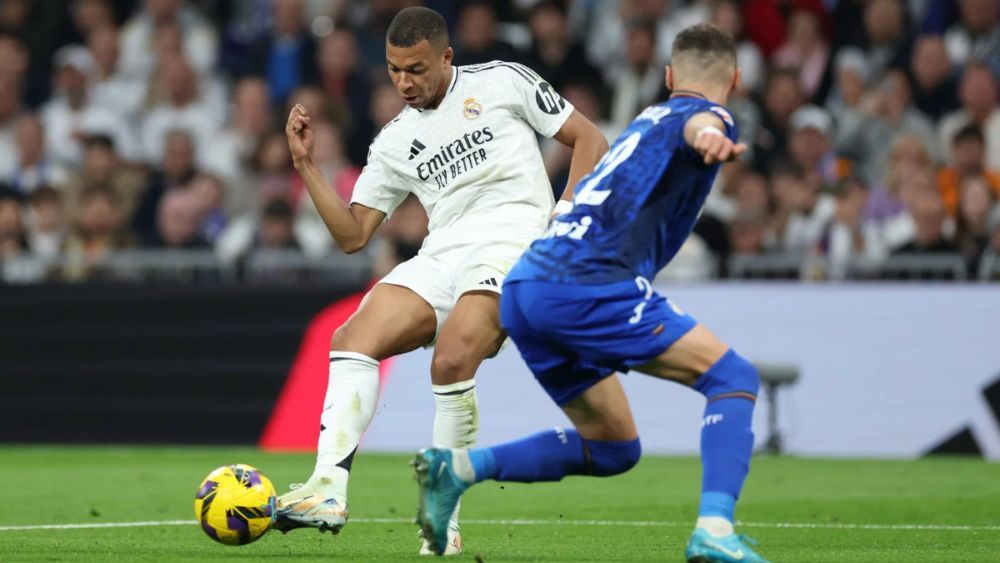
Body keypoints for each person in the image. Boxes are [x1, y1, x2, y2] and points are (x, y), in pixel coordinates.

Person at [412, 23, 770, 563]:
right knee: (733, 376)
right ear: (736, 80)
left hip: (527, 285)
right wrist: (710, 137)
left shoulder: (643, 120)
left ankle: (458, 468)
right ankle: (715, 528)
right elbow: (700, 122)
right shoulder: (706, 115)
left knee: (613, 447)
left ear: (669, 76)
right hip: (587, 283)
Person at [280, 6, 608, 556]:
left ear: (446, 57)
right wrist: (307, 167)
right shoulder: (393, 140)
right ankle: (327, 490)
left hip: (515, 243)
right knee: (350, 339)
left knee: (451, 360)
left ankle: (441, 513)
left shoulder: (504, 81)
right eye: (393, 70)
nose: (404, 82)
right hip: (443, 252)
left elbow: (590, 139)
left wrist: (565, 216)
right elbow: (354, 234)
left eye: (416, 69)